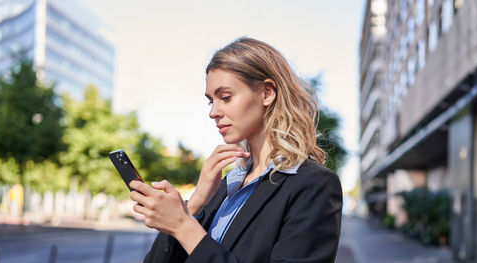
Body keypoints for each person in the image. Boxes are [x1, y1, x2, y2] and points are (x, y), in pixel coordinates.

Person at [129, 37, 342, 263]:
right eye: (211, 101)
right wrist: (195, 204)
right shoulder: (226, 185)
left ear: (267, 93)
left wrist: (183, 227)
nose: (213, 112)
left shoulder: (314, 184)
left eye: (226, 97)